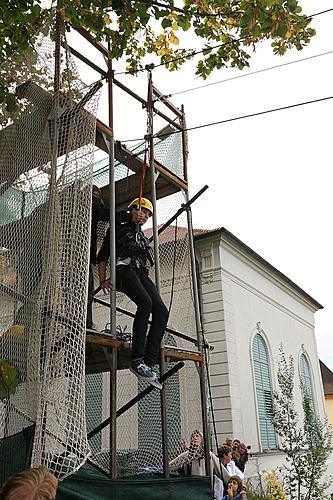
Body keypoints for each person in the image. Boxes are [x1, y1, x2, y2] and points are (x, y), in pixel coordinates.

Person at [98, 197, 168, 389]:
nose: (145, 216)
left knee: (161, 311)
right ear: (133, 210)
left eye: (148, 214)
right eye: (142, 212)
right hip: (123, 271)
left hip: (139, 272)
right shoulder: (118, 229)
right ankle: (137, 359)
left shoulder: (142, 237)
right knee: (145, 303)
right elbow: (102, 256)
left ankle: (148, 362)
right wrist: (103, 279)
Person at [169, 430, 230, 499]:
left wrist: (236, 483)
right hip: (190, 492)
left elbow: (223, 473)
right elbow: (170, 467)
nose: (194, 438)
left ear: (202, 439)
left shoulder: (209, 455)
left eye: (197, 436)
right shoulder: (186, 455)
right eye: (193, 436)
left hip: (206, 492)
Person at [86, 185, 109, 330]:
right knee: (86, 290)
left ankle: (85, 322)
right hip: (81, 255)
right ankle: (86, 322)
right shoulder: (92, 202)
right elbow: (105, 213)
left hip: (66, 255)